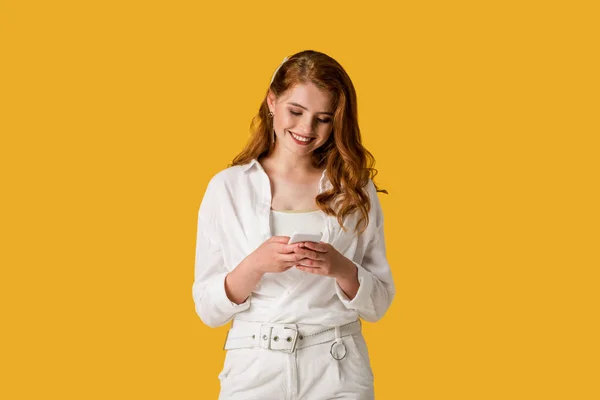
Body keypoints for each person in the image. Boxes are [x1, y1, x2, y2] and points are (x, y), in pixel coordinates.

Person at [192, 50, 395, 400]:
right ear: (272, 101)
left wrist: (340, 268)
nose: (306, 129)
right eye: (296, 112)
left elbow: (378, 305)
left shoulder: (354, 190)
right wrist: (255, 265)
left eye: (323, 119)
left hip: (338, 368)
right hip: (253, 370)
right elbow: (208, 310)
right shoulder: (227, 188)